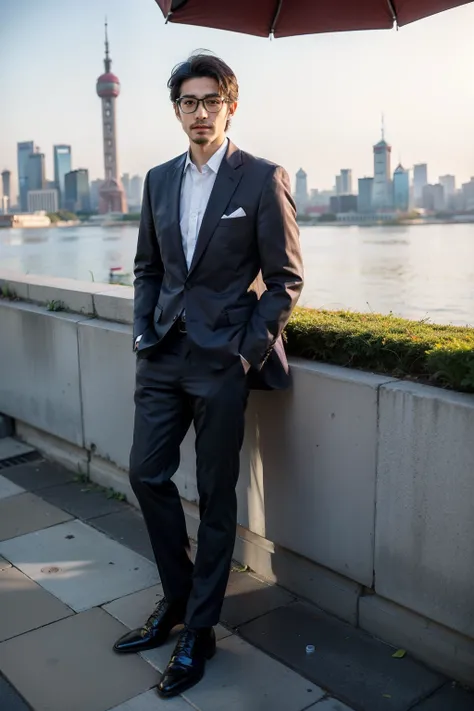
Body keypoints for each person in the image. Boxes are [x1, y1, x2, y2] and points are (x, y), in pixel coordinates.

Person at [113, 52, 304, 699]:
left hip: (223, 361)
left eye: (210, 101)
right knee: (145, 472)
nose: (200, 113)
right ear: (176, 110)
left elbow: (286, 281)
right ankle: (177, 596)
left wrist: (246, 354)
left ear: (231, 105)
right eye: (188, 103)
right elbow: (147, 266)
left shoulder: (260, 179)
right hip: (164, 355)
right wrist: (144, 332)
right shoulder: (159, 180)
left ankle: (200, 627)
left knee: (217, 497)